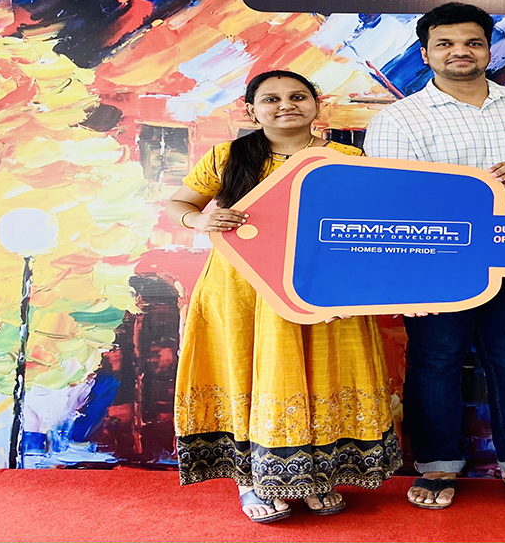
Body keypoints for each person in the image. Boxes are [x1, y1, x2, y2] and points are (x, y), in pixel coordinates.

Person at [364, 2, 505, 511]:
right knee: (435, 362)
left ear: (488, 49)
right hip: (436, 262)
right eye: (445, 43)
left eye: (472, 42)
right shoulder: (399, 119)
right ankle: (437, 464)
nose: (459, 51)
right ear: (425, 53)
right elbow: (392, 197)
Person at [167, 70, 402, 523]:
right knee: (249, 374)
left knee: (323, 374)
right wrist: (198, 221)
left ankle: (317, 478)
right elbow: (181, 204)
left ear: (316, 105)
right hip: (242, 287)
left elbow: (369, 227)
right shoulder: (227, 157)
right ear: (251, 110)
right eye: (271, 99)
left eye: (297, 96)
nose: (286, 105)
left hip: (323, 287)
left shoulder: (346, 158)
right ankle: (251, 480)